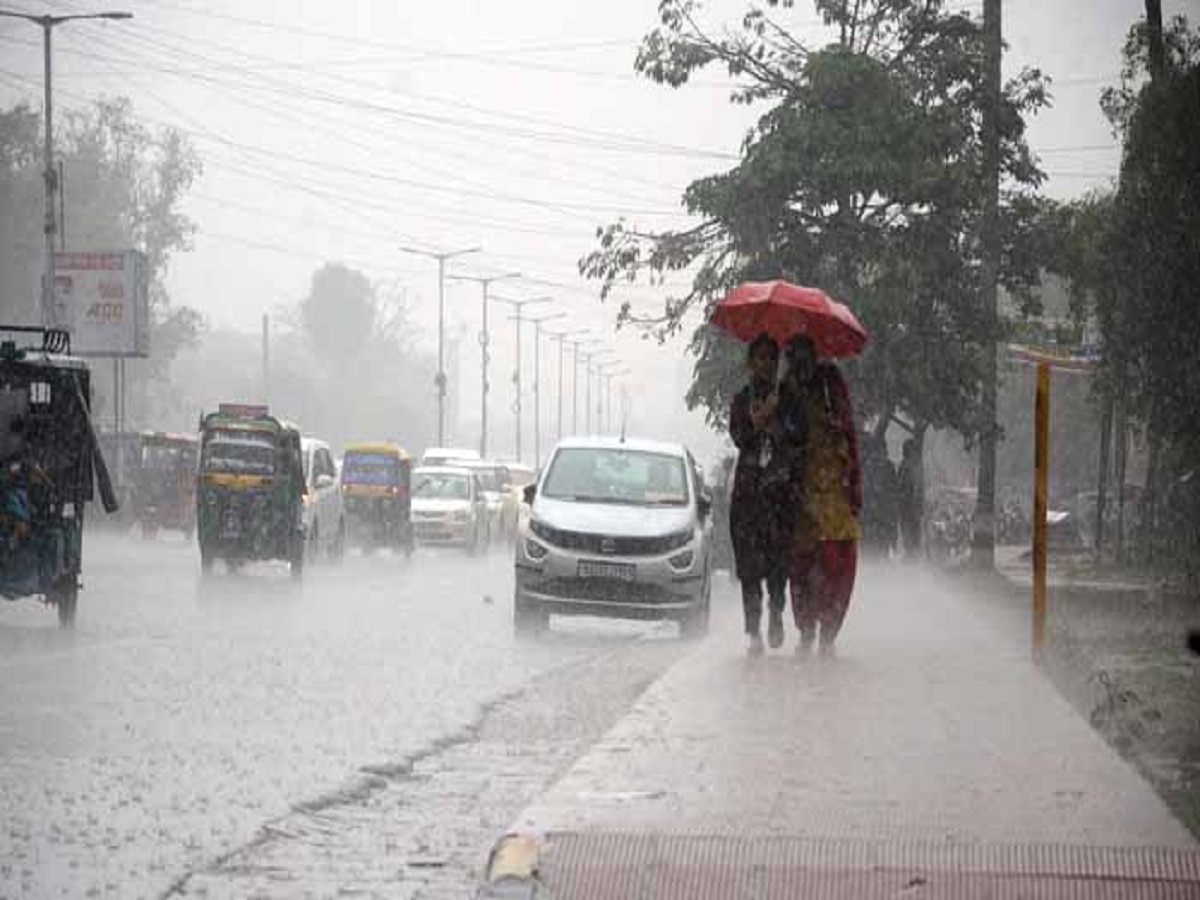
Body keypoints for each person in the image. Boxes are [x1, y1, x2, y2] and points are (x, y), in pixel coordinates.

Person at [782, 335, 861, 658]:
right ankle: (805, 629)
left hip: (834, 493)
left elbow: (848, 429)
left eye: (805, 354)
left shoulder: (831, 381)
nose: (800, 361)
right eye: (794, 355)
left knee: (836, 566)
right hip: (801, 492)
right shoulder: (786, 388)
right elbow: (784, 434)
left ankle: (828, 631)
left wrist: (834, 422)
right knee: (801, 566)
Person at [728, 334, 793, 656]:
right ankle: (753, 630)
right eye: (760, 357)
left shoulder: (788, 399)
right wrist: (758, 421)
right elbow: (739, 437)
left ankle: (777, 611)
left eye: (771, 357)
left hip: (779, 494)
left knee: (779, 562)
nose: (766, 363)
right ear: (751, 362)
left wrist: (779, 424)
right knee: (750, 567)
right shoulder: (741, 400)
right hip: (748, 495)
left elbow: (800, 436)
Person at [897, 438, 923, 559]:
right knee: (909, 529)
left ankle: (911, 554)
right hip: (907, 504)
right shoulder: (907, 465)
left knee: (910, 529)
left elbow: (916, 487)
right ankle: (910, 553)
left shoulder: (911, 465)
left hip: (909, 505)